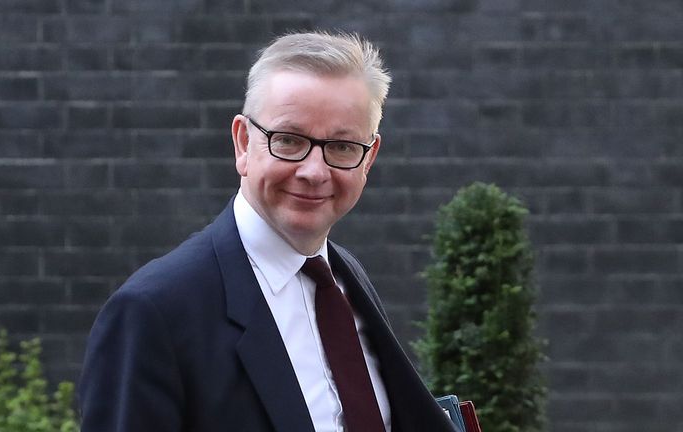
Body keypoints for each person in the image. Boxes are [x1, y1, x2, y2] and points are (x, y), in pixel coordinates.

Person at [78, 31, 456, 432]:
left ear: (369, 158)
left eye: (343, 147)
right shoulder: (152, 314)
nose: (314, 172)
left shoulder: (346, 277)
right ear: (243, 143)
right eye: (289, 141)